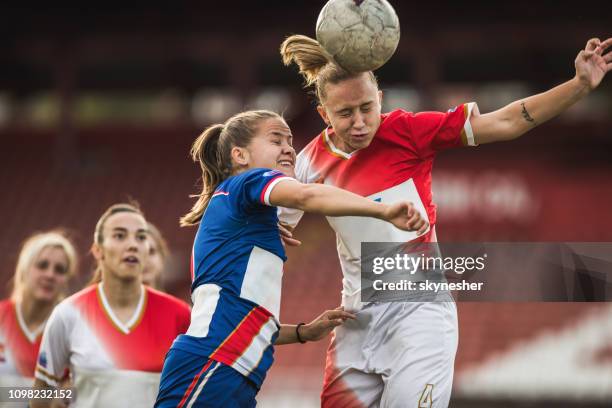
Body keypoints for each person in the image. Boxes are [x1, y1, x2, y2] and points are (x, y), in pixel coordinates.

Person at [279, 35, 612, 407]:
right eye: (345, 113)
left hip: (419, 316)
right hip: (354, 321)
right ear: (324, 114)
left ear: (381, 101)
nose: (359, 122)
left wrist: (579, 85)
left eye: (366, 108)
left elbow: (504, 122)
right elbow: (276, 222)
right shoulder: (308, 163)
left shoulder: (407, 131)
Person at [154, 109, 427, 407]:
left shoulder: (244, 217)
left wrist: (301, 332)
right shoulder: (247, 181)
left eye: (290, 140)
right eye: (276, 139)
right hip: (212, 363)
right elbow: (307, 195)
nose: (288, 148)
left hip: (232, 371)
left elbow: (242, 313)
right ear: (240, 156)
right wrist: (382, 211)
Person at [32, 203, 191, 408]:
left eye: (141, 237)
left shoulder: (180, 315)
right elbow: (40, 394)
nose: (133, 244)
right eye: (119, 236)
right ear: (98, 251)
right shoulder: (68, 314)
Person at [0, 231, 77, 388]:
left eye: (60, 269)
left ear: (66, 280)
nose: (50, 275)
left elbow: (71, 396)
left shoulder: (71, 331)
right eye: (42, 265)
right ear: (24, 269)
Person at [142, 222, 170, 290]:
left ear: (162, 257)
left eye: (151, 251)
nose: (146, 260)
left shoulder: (172, 301)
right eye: (138, 252)